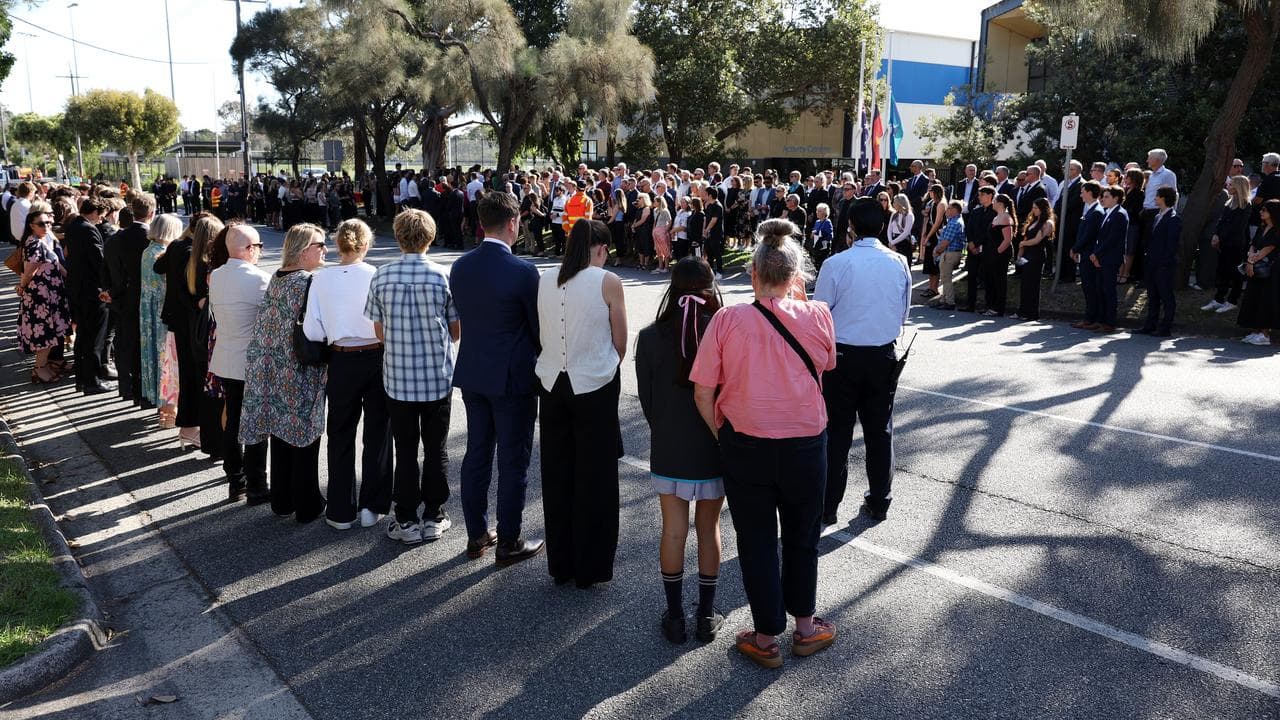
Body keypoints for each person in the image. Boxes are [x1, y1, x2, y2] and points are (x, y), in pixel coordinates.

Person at [691, 218, 837, 669]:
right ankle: (806, 626)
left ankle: (766, 634)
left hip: (745, 442)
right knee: (802, 535)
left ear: (753, 273)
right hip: (805, 443)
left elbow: (703, 390)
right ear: (797, 278)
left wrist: (722, 432)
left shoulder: (727, 319)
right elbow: (826, 364)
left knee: (756, 540)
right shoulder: (818, 314)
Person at [449, 192, 545, 566]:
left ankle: (476, 534)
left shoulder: (461, 266)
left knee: (477, 454)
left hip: (473, 370)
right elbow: (537, 330)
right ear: (513, 223)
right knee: (512, 460)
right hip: (512, 377)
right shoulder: (522, 271)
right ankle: (508, 540)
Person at [638, 257, 726, 644]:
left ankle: (675, 616)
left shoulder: (651, 335)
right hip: (714, 445)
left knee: (673, 531)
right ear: (710, 288)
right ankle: (705, 615)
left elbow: (647, 400)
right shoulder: (724, 332)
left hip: (669, 446)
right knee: (709, 529)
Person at [535, 219, 627, 589]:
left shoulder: (544, 277)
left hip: (552, 382)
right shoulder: (607, 280)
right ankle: (590, 567)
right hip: (594, 383)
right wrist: (605, 363)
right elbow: (620, 340)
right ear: (601, 248)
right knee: (596, 478)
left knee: (557, 474)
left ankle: (562, 563)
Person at [815, 196, 910, 529]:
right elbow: (903, 311)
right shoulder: (898, 262)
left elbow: (820, 315)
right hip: (883, 353)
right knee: (879, 431)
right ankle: (880, 499)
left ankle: (827, 505)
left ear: (850, 227)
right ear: (882, 225)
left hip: (842, 356)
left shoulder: (837, 263)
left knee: (836, 433)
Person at [365, 209, 459, 544]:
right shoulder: (442, 276)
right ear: (430, 238)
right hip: (436, 376)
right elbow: (456, 329)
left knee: (405, 449)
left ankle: (405, 517)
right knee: (436, 448)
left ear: (399, 236)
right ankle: (434, 513)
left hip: (398, 377)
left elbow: (377, 329)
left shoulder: (381, 275)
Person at [302, 218, 393, 530]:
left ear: (338, 245)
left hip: (340, 358)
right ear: (365, 244)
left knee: (340, 433)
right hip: (377, 355)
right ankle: (373, 504)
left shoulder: (320, 280)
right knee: (378, 432)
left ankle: (340, 509)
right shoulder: (376, 275)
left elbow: (312, 329)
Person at [239, 224, 329, 524]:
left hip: (271, 368)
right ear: (304, 249)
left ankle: (282, 499)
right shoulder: (309, 281)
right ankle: (308, 504)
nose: (325, 250)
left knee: (280, 435)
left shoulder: (278, 277)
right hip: (298, 369)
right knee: (304, 437)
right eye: (320, 244)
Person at [210, 224, 270, 502]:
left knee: (234, 419)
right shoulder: (259, 279)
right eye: (257, 246)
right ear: (248, 249)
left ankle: (235, 478)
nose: (259, 252)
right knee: (255, 422)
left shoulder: (216, 276)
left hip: (226, 355)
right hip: (251, 359)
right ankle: (257, 483)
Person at [156, 214, 225, 456]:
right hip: (192, 327)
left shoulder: (178, 247)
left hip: (179, 323)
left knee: (188, 376)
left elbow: (159, 267)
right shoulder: (196, 258)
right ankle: (189, 427)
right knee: (196, 379)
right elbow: (195, 298)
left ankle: (188, 425)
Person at [103, 193, 156, 403]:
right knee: (144, 346)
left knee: (124, 345)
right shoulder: (152, 240)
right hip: (143, 300)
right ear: (151, 213)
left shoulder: (114, 239)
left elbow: (105, 269)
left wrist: (109, 291)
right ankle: (143, 389)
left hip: (121, 299)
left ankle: (126, 387)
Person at [16, 202, 72, 385]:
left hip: (49, 295)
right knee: (44, 335)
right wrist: (22, 287)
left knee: (51, 332)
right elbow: (29, 271)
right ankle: (39, 369)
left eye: (48, 222)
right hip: (40, 298)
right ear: (32, 225)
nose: (47, 226)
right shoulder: (34, 243)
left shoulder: (41, 241)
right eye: (42, 223)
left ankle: (44, 366)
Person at [64, 196, 114, 394]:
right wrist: (107, 287)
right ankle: (92, 381)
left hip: (77, 289)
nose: (101, 220)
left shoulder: (73, 225)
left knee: (83, 336)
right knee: (94, 338)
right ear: (94, 212)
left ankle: (82, 379)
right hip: (92, 292)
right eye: (100, 216)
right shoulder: (88, 229)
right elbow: (98, 261)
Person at [140, 214, 184, 430]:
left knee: (155, 358)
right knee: (166, 358)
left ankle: (162, 408)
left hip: (147, 312)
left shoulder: (148, 251)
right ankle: (168, 410)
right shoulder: (164, 254)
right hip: (161, 312)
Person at [1203, 176, 1253, 313]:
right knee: (1222, 271)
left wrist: (1220, 237)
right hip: (1224, 243)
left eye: (1231, 185)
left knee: (1235, 272)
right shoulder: (1229, 202)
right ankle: (1219, 299)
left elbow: (1236, 227)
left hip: (1235, 244)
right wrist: (1216, 235)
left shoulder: (1245, 205)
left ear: (1238, 187)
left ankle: (1232, 300)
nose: (1228, 187)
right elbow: (1221, 221)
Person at [1136, 186, 1181, 337]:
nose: (1155, 198)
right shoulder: (1157, 216)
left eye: (1157, 196)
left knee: (1166, 296)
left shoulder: (1174, 219)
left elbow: (1171, 245)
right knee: (1152, 296)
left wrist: (1164, 262)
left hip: (1163, 265)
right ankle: (1150, 325)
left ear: (1164, 198)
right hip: (1151, 263)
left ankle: (1165, 328)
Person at [1237, 199, 1278, 345]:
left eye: (1264, 210)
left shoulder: (1276, 231)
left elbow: (1268, 249)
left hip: (1270, 271)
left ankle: (1265, 334)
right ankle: (1256, 331)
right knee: (1253, 298)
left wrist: (1251, 262)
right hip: (1256, 268)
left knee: (1265, 301)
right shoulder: (1262, 228)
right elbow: (1253, 245)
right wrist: (1250, 259)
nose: (1261, 212)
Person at [1089, 186, 1130, 333]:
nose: (1102, 199)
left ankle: (1109, 322)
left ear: (1116, 198)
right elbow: (1101, 238)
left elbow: (1112, 239)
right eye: (1103, 196)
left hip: (1110, 258)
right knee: (1100, 289)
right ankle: (1101, 320)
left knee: (1108, 290)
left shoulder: (1120, 214)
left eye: (1106, 196)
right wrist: (1096, 254)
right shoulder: (1108, 212)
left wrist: (1097, 254)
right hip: (1102, 257)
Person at [1070, 182, 1107, 329]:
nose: (1080, 194)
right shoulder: (1090, 209)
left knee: (1091, 287)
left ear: (1090, 192)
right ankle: (1090, 317)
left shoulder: (1097, 211)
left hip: (1090, 254)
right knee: (1088, 287)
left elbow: (1089, 235)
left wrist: (1075, 248)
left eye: (1083, 191)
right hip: (1085, 253)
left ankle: (1093, 318)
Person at [1013, 198, 1053, 321]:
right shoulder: (1033, 222)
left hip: (1037, 255)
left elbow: (1037, 240)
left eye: (1036, 208)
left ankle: (1031, 313)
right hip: (1027, 254)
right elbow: (1025, 239)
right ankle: (1022, 311)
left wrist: (1023, 244)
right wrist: (1020, 253)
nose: (1033, 210)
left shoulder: (1047, 223)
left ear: (1043, 208)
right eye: (1033, 207)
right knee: (1024, 283)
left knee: (1032, 284)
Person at [961, 188, 995, 312]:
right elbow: (969, 228)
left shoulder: (994, 212)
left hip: (986, 248)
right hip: (972, 249)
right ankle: (970, 304)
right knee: (971, 277)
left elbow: (988, 231)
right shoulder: (976, 211)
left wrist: (977, 243)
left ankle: (988, 305)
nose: (979, 197)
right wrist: (971, 242)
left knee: (987, 277)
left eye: (982, 195)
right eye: (979, 194)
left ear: (990, 195)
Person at [982, 194, 1016, 316]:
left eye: (995, 200)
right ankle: (990, 306)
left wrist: (997, 253)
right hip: (991, 253)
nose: (993, 203)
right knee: (990, 279)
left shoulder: (1006, 218)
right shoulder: (997, 217)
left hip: (999, 254)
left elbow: (1007, 240)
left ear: (1000, 203)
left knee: (999, 280)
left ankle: (998, 308)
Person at [932, 200, 966, 311]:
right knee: (944, 277)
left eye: (949, 208)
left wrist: (937, 251)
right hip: (949, 252)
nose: (946, 210)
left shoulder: (954, 223)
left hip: (950, 253)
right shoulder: (954, 221)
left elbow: (946, 241)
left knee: (946, 278)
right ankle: (943, 300)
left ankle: (949, 302)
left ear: (954, 210)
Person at [887, 195, 914, 264]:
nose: (893, 204)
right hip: (893, 240)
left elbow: (906, 232)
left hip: (904, 242)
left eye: (895, 202)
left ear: (900, 203)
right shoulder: (894, 214)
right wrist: (891, 242)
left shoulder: (909, 215)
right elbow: (889, 229)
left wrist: (892, 243)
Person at [652, 195, 673, 273]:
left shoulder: (665, 211)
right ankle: (660, 266)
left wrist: (665, 230)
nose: (654, 203)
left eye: (655, 201)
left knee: (665, 249)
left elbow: (670, 221)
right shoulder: (654, 210)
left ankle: (666, 267)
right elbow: (655, 221)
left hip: (662, 231)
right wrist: (653, 230)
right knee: (658, 250)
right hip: (656, 231)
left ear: (659, 202)